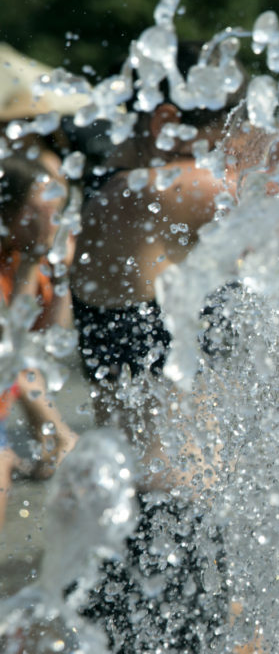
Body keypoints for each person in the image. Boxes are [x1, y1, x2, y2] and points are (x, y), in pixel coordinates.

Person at [70, 44, 245, 653]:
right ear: (168, 123)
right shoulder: (151, 193)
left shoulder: (111, 195)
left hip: (141, 509)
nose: (223, 153)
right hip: (168, 520)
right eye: (219, 138)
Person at [0, 153, 79, 533]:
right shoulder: (15, 258)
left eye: (54, 212)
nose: (50, 224)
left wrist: (63, 274)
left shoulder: (26, 251)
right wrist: (32, 264)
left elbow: (52, 333)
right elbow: (7, 346)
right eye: (35, 214)